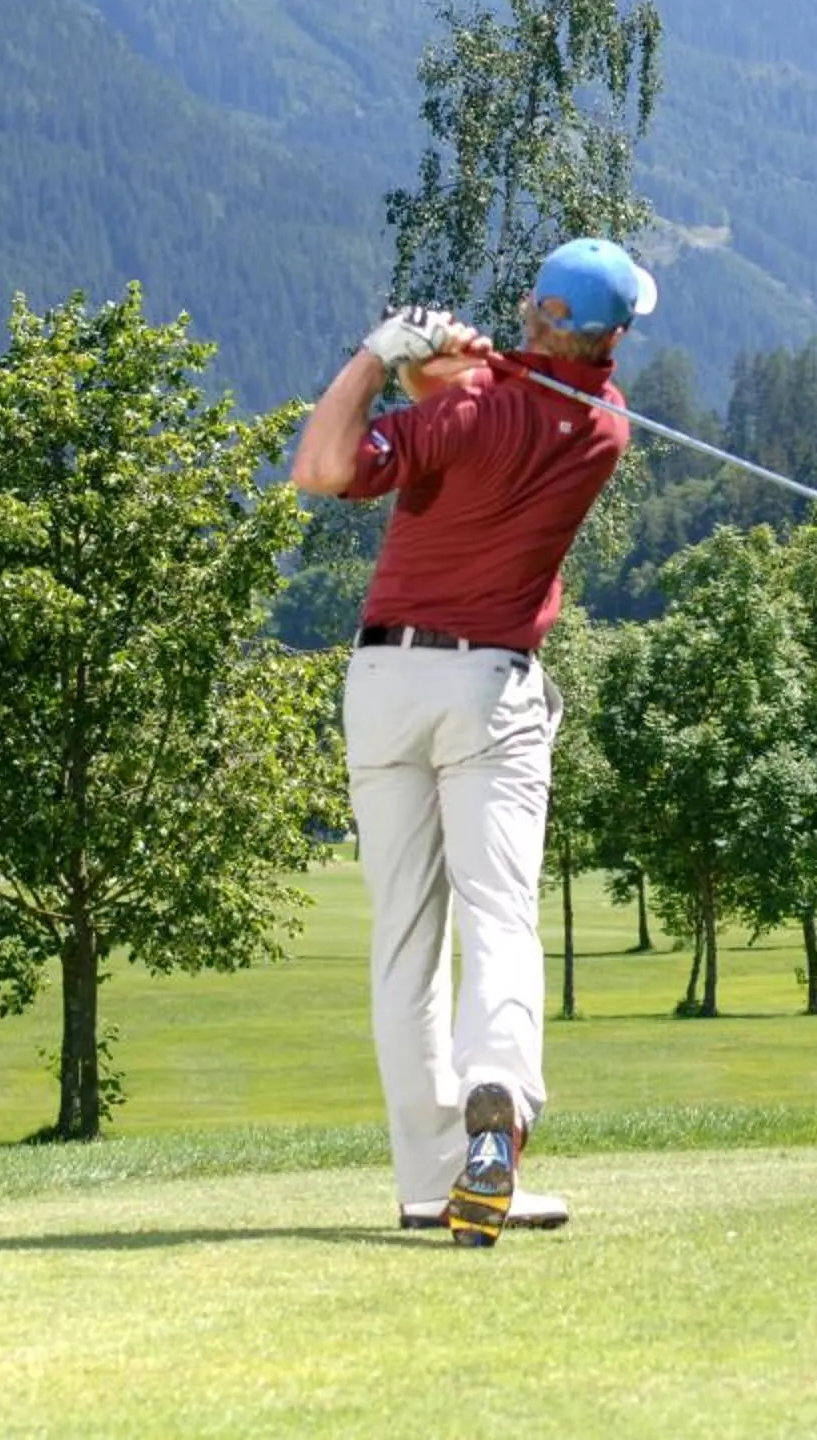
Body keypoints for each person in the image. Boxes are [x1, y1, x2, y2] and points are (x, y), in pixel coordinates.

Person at [288, 237, 657, 1247]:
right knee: (498, 916)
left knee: (406, 937)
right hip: (488, 689)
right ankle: (497, 1106)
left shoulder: (461, 408)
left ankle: (430, 1176)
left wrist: (381, 354)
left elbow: (322, 466)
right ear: (611, 337)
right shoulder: (603, 426)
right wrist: (451, 358)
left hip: (383, 682)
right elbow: (493, 391)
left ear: (535, 308)